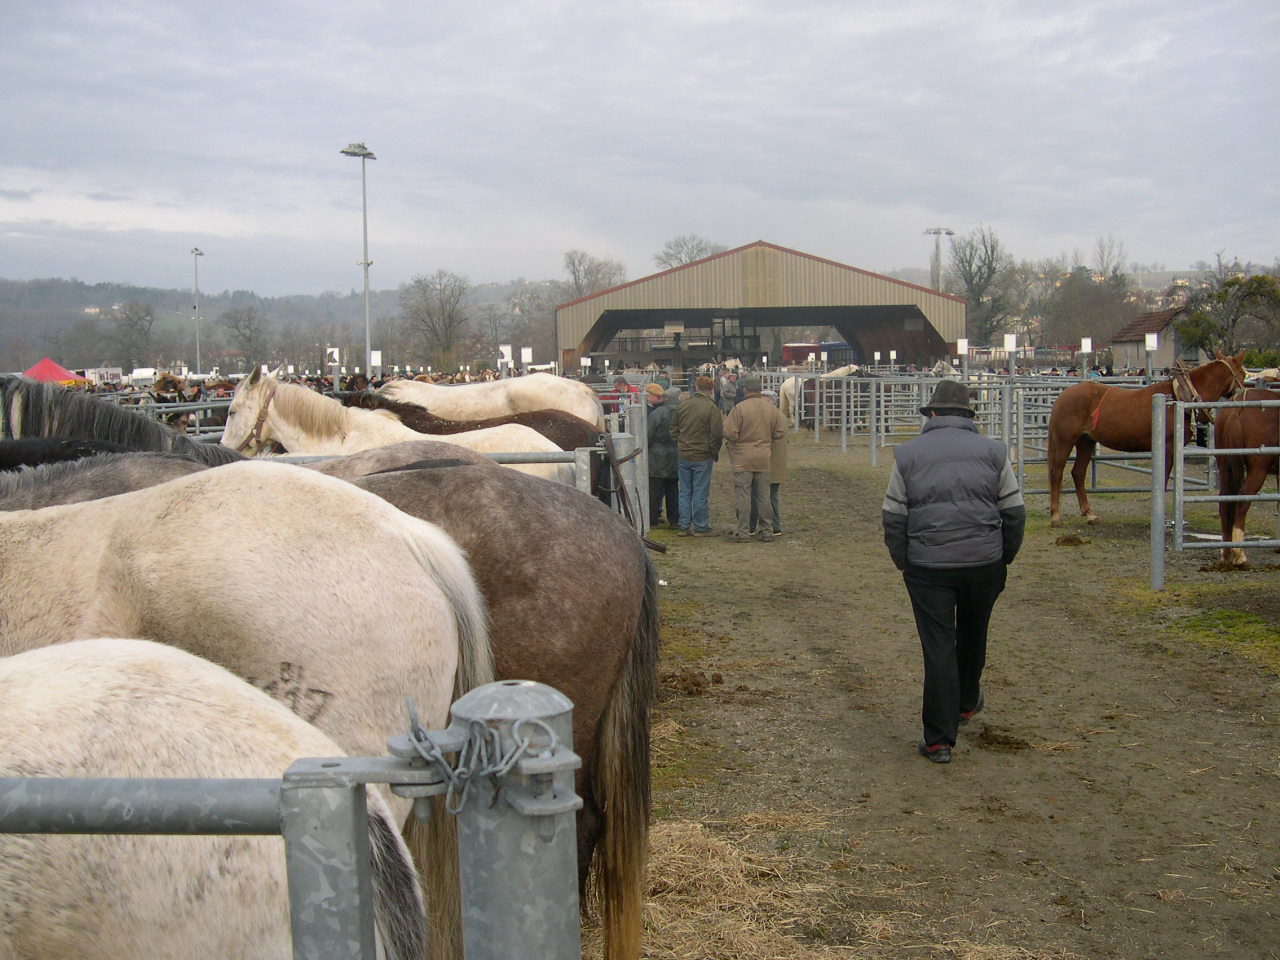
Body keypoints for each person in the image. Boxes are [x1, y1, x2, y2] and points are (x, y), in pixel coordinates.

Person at [881, 380, 1025, 764]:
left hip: (929, 567)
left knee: (939, 647)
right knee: (975, 633)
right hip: (983, 562)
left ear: (932, 414)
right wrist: (1002, 557)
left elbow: (893, 516)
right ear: (969, 416)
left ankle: (939, 740)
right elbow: (1014, 511)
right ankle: (965, 702)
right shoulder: (994, 452)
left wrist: (905, 561)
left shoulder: (907, 454)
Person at [722, 376, 785, 542]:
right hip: (764, 457)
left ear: (745, 390)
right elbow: (779, 433)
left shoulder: (739, 409)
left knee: (743, 495)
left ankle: (743, 531)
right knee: (764, 496)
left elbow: (730, 433)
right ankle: (767, 531)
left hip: (742, 458)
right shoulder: (771, 409)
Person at [669, 376, 723, 537]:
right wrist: (713, 451)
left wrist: (680, 443)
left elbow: (673, 428)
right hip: (702, 456)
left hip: (684, 454)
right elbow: (716, 434)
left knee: (684, 491)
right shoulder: (711, 408)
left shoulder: (683, 405)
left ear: (696, 387)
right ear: (711, 390)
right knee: (700, 491)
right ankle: (700, 526)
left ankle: (684, 525)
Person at [749, 389, 788, 537]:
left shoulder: (770, 417)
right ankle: (775, 526)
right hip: (776, 463)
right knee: (772, 495)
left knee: (758, 494)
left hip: (766, 462)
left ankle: (753, 526)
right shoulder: (781, 416)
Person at [645, 383, 679, 528]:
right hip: (675, 455)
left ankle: (652, 519)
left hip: (656, 457)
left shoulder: (657, 414)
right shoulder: (681, 412)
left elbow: (648, 435)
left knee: (654, 491)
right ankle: (674, 520)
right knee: (673, 490)